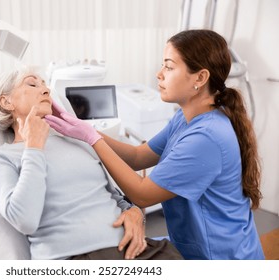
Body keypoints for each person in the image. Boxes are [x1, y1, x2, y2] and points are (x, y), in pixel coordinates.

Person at [45, 29, 265, 260]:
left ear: (200, 78)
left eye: (169, 67)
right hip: (196, 247)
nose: (159, 74)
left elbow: (142, 194)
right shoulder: (185, 118)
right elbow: (138, 156)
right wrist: (86, 130)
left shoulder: (206, 137)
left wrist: (93, 140)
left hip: (222, 258)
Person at [0, 66, 183, 260]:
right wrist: (34, 147)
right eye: (32, 84)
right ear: (6, 102)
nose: (46, 89)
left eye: (44, 84)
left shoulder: (76, 142)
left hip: (134, 251)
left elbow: (114, 197)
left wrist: (135, 212)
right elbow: (25, 220)